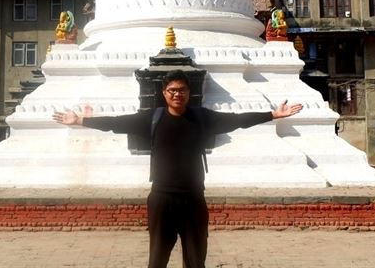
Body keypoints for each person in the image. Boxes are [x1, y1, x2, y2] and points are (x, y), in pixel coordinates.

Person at [52, 69, 303, 268]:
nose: (177, 94)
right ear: (164, 93)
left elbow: (237, 120)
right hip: (162, 198)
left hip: (193, 198)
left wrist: (272, 115)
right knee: (157, 260)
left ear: (188, 92)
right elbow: (116, 123)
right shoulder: (152, 118)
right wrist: (80, 120)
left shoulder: (202, 118)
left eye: (181, 90)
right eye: (172, 90)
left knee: (195, 259)